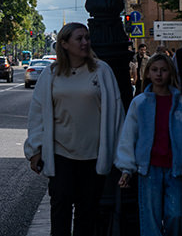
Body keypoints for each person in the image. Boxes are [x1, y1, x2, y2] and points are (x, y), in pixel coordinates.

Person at [24, 22, 124, 236]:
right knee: (60, 209)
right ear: (64, 44)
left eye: (87, 38)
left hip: (93, 155)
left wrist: (121, 156)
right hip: (61, 154)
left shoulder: (101, 71)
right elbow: (38, 113)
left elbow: (116, 113)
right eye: (79, 38)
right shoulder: (51, 74)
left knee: (87, 214)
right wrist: (35, 149)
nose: (85, 42)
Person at [116, 53, 182, 236]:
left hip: (175, 168)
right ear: (147, 74)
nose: (159, 74)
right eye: (154, 70)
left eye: (163, 70)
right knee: (150, 219)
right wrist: (126, 169)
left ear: (171, 73)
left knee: (176, 214)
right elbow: (129, 135)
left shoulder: (179, 103)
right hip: (149, 168)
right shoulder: (140, 103)